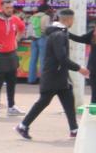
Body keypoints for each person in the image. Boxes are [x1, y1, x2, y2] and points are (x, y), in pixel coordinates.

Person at [16, 8, 87, 140]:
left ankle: (74, 129)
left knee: (68, 101)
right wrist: (79, 68)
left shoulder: (59, 33)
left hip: (59, 76)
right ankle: (23, 125)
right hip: (53, 76)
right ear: (69, 19)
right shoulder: (59, 35)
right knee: (43, 102)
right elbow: (61, 57)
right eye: (73, 19)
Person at [26, 4, 51, 83]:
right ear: (46, 10)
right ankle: (43, 80)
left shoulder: (33, 17)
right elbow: (48, 28)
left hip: (33, 39)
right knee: (43, 59)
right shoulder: (46, 17)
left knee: (33, 59)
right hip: (42, 38)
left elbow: (29, 28)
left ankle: (31, 79)